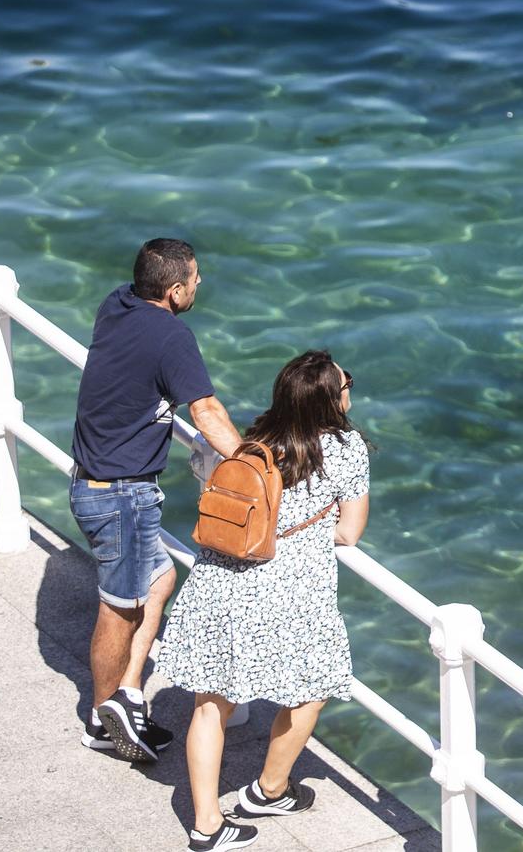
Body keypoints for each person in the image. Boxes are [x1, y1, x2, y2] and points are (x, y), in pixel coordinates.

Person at [156, 350, 372, 851]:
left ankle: (207, 825)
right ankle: (269, 790)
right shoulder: (346, 447)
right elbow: (350, 531)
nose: (350, 390)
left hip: (218, 582)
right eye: (347, 385)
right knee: (310, 689)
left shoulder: (254, 441)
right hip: (291, 591)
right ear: (330, 401)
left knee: (209, 707)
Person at [71, 237, 242, 764]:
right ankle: (104, 718)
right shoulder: (172, 335)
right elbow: (207, 412)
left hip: (97, 479)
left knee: (160, 578)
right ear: (173, 290)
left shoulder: (117, 304)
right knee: (119, 609)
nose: (198, 284)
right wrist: (256, 468)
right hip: (120, 493)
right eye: (193, 279)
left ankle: (127, 694)